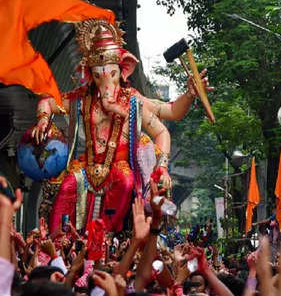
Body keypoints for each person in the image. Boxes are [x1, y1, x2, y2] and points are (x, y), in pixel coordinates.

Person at [33, 19, 212, 232]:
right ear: (90, 74)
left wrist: (190, 95)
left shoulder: (133, 101)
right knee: (66, 187)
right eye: (98, 75)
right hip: (86, 167)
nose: (105, 82)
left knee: (126, 183)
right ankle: (58, 245)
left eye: (112, 74)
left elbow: (169, 115)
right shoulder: (81, 99)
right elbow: (47, 101)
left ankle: (106, 237)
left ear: (123, 70)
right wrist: (43, 119)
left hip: (120, 167)